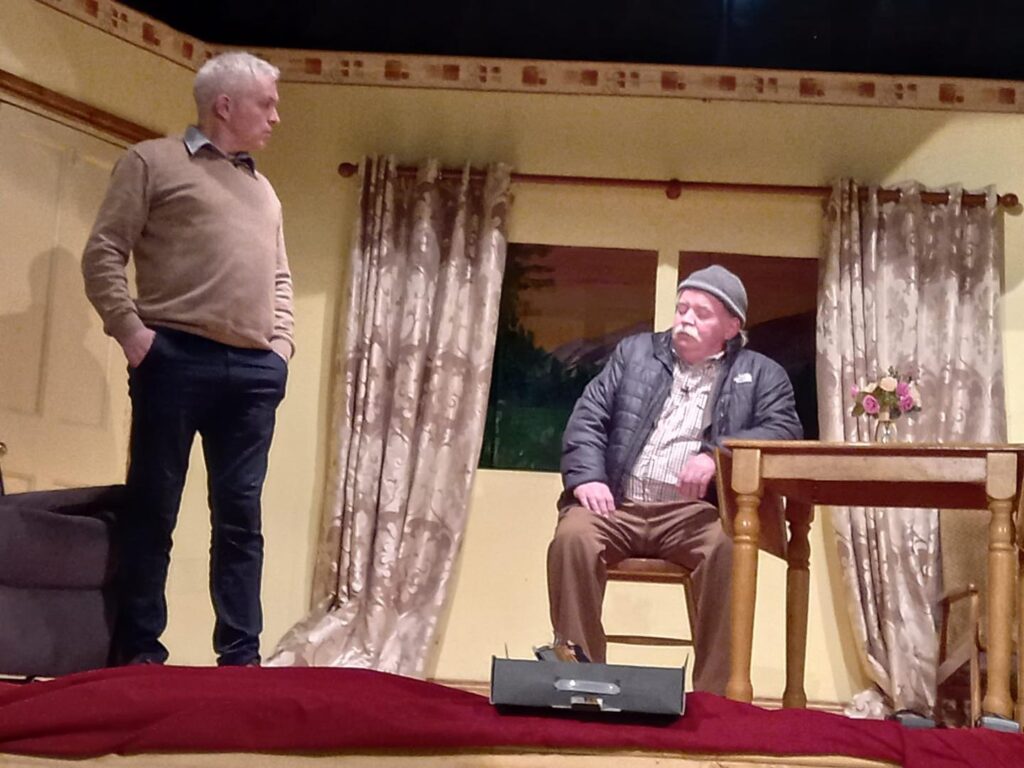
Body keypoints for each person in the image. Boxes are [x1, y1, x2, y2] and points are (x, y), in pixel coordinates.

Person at [81, 52, 293, 667]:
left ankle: (241, 657)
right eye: (266, 104)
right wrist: (132, 334)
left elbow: (281, 279)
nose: (276, 117)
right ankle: (140, 653)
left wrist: (280, 351)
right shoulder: (151, 161)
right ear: (224, 105)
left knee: (241, 520)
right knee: (154, 509)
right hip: (172, 358)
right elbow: (103, 253)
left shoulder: (264, 189)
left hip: (252, 373)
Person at [547, 265, 801, 694]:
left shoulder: (762, 374)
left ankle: (716, 694)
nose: (685, 319)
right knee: (572, 538)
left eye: (701, 313)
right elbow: (588, 418)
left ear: (731, 326)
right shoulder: (635, 354)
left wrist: (718, 454)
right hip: (618, 506)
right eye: (682, 308)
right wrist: (588, 478)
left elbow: (785, 431)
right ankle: (581, 680)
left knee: (729, 547)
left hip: (695, 515)